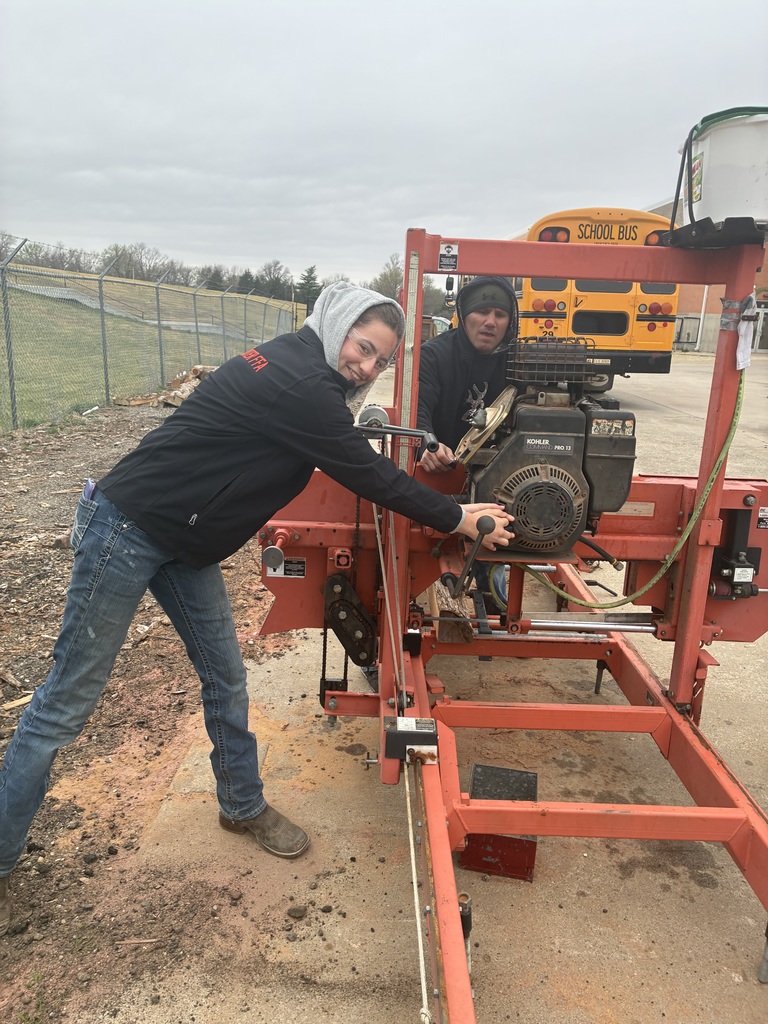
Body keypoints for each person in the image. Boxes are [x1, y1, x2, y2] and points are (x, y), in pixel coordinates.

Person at [0, 281, 514, 937]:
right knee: (66, 702)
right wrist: (459, 516)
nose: (367, 367)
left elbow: (333, 436)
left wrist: (396, 436)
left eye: (381, 360)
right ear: (335, 328)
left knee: (225, 675)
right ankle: (2, 851)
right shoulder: (304, 385)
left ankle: (241, 804)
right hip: (127, 530)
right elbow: (364, 474)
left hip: (184, 542)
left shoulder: (305, 369)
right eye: (363, 349)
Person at [417, 275, 519, 473]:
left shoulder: (519, 361)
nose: (490, 322)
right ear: (464, 316)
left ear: (510, 322)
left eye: (500, 314)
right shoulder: (433, 356)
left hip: (502, 472)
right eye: (482, 311)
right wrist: (427, 444)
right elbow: (418, 410)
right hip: (443, 471)